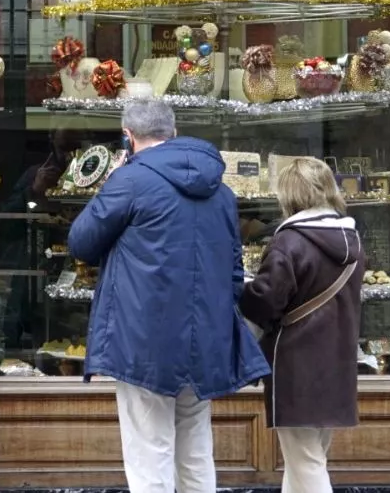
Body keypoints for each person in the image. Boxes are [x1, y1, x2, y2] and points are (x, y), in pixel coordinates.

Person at [68, 97, 269, 493]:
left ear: (128, 137)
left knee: (149, 451)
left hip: (143, 337)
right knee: (195, 449)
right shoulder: (222, 192)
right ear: (173, 132)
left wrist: (112, 182)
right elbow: (233, 270)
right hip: (206, 336)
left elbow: (81, 243)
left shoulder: (129, 180)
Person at [240, 157, 365, 493]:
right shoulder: (352, 240)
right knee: (306, 458)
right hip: (337, 363)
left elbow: (266, 301)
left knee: (306, 462)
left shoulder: (289, 242)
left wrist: (242, 287)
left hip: (297, 366)